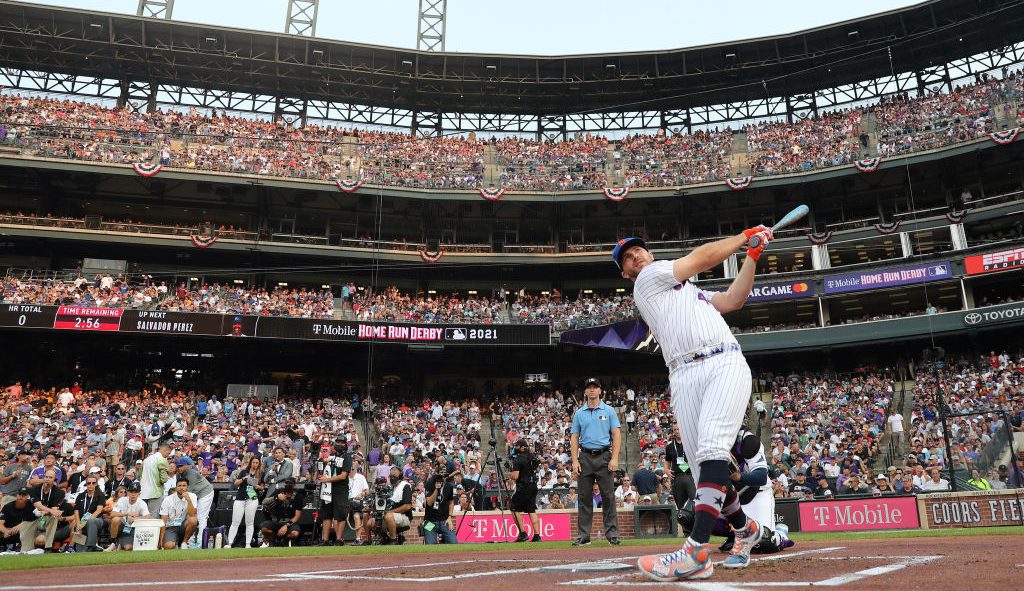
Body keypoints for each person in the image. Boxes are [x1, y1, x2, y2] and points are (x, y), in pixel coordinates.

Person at [613, 227, 773, 581]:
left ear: (650, 254)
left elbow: (734, 300)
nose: (636, 255)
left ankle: (696, 551)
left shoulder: (693, 292)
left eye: (640, 250)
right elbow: (701, 257)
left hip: (722, 362)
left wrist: (753, 256)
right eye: (628, 257)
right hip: (682, 374)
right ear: (626, 273)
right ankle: (745, 530)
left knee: (714, 449)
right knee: (704, 471)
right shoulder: (648, 280)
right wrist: (744, 237)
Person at [680, 429, 794, 555]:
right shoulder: (707, 441)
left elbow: (761, 477)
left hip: (756, 492)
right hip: (727, 493)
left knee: (762, 541)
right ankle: (735, 536)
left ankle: (780, 534)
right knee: (687, 515)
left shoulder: (747, 440)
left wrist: (740, 477)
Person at [570, 377, 622, 546]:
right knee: (584, 498)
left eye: (595, 387)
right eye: (589, 387)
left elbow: (616, 434)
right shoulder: (579, 413)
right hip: (584, 457)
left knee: (608, 497)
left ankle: (612, 534)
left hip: (604, 456)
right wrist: (574, 461)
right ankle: (584, 536)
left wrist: (614, 458)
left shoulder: (609, 411)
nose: (592, 390)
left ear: (600, 391)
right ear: (585, 391)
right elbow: (574, 437)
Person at [315, 438, 352, 546]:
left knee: (340, 515)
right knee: (326, 515)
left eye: (341, 443)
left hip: (340, 490)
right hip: (328, 489)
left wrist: (327, 479)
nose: (339, 445)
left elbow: (343, 476)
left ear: (345, 445)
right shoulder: (332, 457)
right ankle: (325, 540)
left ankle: (339, 540)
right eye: (337, 443)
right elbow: (322, 469)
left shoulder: (347, 457)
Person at [507, 438, 542, 542]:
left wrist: (508, 473)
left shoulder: (518, 459)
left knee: (513, 507)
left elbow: (515, 476)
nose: (515, 448)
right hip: (533, 485)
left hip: (523, 486)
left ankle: (523, 533)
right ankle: (537, 535)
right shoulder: (532, 457)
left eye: (517, 446)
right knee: (531, 509)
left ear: (522, 447)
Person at [175, 457, 214, 547]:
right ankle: (191, 541)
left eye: (181, 466)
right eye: (178, 466)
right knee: (192, 517)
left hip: (205, 493)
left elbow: (188, 492)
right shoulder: (178, 475)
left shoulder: (190, 473)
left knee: (201, 517)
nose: (179, 468)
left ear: (185, 466)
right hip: (196, 494)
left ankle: (201, 542)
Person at [226, 456, 264, 548]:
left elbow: (262, 487)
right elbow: (236, 483)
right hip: (240, 497)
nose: (255, 464)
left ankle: (248, 543)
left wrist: (257, 486)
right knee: (235, 521)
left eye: (257, 463)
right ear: (250, 463)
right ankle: (230, 543)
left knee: (250, 522)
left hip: (252, 498)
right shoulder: (244, 472)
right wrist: (244, 478)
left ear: (259, 464)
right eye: (253, 462)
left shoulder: (260, 474)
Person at [22, 468, 64, 552]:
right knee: (25, 550)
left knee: (54, 517)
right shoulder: (34, 490)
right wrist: (51, 511)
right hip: (32, 519)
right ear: (43, 478)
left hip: (47, 519)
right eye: (46, 477)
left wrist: (47, 511)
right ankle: (25, 550)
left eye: (50, 477)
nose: (47, 479)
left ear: (54, 480)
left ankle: (48, 547)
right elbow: (37, 505)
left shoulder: (59, 492)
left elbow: (55, 509)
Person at [260, 478, 304, 547]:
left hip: (289, 521)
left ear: (294, 485)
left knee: (295, 533)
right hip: (276, 520)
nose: (288, 485)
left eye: (290, 484)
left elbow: (297, 516)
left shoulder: (298, 496)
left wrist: (286, 525)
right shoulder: (279, 491)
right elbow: (264, 502)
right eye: (287, 483)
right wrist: (276, 497)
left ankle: (285, 540)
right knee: (264, 529)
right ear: (284, 484)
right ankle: (273, 540)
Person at [422, 459, 458, 545]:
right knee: (430, 545)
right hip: (430, 521)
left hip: (444, 521)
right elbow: (429, 503)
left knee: (454, 543)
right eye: (441, 472)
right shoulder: (429, 483)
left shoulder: (449, 485)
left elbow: (451, 502)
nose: (443, 474)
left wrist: (449, 517)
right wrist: (436, 490)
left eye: (444, 472)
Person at [109, 482, 150, 551]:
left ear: (139, 494)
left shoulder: (142, 503)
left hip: (132, 528)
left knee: (128, 548)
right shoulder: (122, 500)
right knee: (115, 519)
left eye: (136, 492)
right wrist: (126, 513)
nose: (133, 494)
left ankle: (121, 543)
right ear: (127, 493)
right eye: (131, 492)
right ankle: (113, 543)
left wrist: (137, 518)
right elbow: (112, 514)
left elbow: (148, 516)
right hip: (121, 526)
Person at [159, 478, 198, 550]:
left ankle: (184, 543)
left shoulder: (192, 496)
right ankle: (175, 544)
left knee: (193, 520)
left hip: (183, 525)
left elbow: (192, 514)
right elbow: (163, 521)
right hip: (170, 527)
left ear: (187, 487)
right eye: (179, 485)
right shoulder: (167, 499)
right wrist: (160, 541)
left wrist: (188, 500)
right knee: (168, 546)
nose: (181, 488)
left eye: (184, 485)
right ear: (176, 487)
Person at [72, 474, 107, 552]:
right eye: (89, 483)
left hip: (97, 520)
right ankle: (72, 547)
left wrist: (84, 522)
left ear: (96, 484)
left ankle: (91, 545)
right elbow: (76, 511)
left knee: (91, 521)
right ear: (86, 484)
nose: (91, 485)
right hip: (82, 521)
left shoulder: (100, 495)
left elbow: (99, 510)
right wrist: (78, 525)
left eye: (93, 483)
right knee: (80, 551)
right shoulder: (80, 496)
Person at [140, 442, 172, 517]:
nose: (168, 455)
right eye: (168, 453)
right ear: (164, 450)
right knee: (153, 516)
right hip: (155, 493)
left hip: (143, 492)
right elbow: (164, 479)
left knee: (142, 516)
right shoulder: (162, 460)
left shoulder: (145, 460)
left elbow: (139, 476)